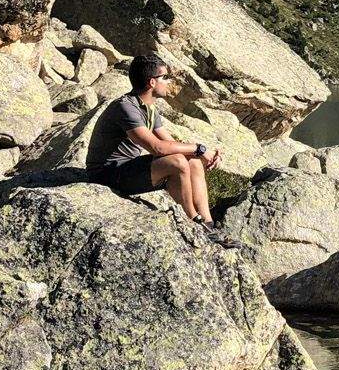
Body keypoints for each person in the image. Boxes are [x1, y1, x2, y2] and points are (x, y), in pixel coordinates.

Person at [87, 53, 236, 243]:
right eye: (164, 77)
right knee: (178, 161)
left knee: (192, 161)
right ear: (151, 82)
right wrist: (199, 148)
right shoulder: (125, 107)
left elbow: (171, 143)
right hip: (106, 174)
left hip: (126, 169)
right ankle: (194, 221)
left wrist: (204, 154)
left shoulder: (149, 108)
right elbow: (157, 147)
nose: (168, 82)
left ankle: (208, 223)